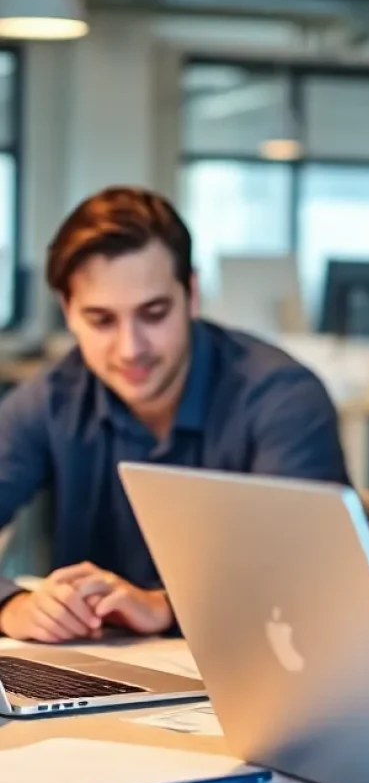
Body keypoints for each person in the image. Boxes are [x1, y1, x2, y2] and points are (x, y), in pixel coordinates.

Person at [0, 186, 348, 643]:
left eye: (154, 313)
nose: (130, 348)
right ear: (69, 312)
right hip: (97, 671)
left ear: (192, 294)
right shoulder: (53, 397)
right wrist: (11, 605)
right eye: (102, 320)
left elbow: (314, 579)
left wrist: (165, 606)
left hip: (249, 664)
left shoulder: (281, 398)